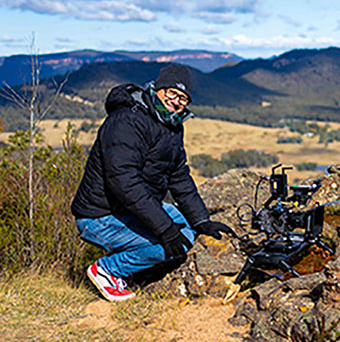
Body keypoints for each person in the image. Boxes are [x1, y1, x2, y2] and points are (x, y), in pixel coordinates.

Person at [71, 64, 234, 301]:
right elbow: (124, 183)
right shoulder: (126, 121)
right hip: (101, 214)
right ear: (158, 89)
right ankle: (109, 270)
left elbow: (179, 177)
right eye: (172, 94)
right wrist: (164, 229)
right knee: (165, 245)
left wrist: (202, 221)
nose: (177, 102)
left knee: (188, 231)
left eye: (183, 98)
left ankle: (137, 263)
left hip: (131, 208)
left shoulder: (172, 126)